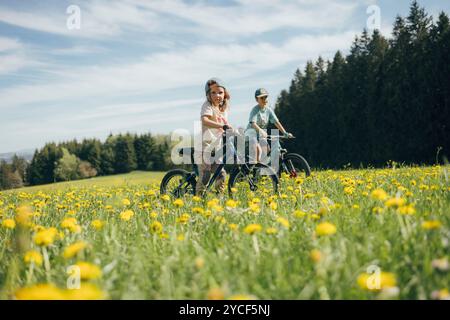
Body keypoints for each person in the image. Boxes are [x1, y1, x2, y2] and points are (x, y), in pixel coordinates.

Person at [194, 77, 233, 196]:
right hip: (205, 146)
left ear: (225, 93)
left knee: (221, 174)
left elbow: (224, 127)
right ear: (208, 95)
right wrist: (222, 125)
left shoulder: (223, 109)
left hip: (217, 147)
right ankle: (198, 199)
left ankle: (219, 198)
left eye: (220, 92)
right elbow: (205, 120)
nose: (217, 95)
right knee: (205, 175)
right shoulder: (208, 106)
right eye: (213, 92)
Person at [245, 88, 293, 163]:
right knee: (258, 149)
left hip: (261, 134)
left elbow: (276, 122)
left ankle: (260, 169)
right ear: (257, 100)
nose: (264, 99)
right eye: (261, 98)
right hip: (251, 133)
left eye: (265, 97)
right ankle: (255, 168)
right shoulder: (255, 110)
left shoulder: (269, 110)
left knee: (267, 150)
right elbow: (253, 123)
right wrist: (261, 131)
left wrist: (284, 133)